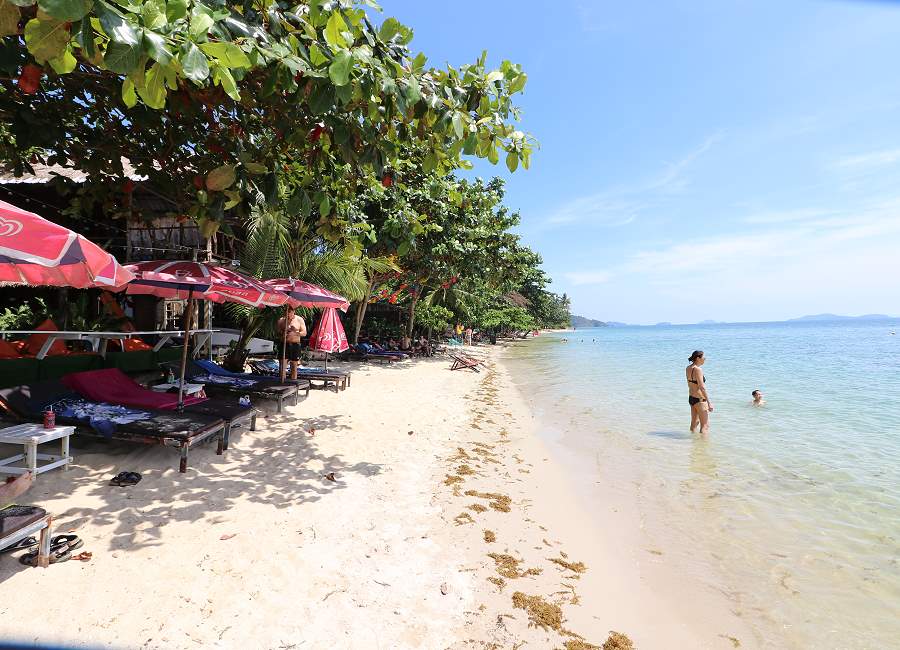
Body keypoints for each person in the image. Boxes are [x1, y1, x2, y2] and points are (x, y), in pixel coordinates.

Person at [686, 350, 713, 434]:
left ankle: (693, 442)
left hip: (691, 398)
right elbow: (702, 387)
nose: (705, 359)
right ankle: (703, 446)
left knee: (694, 423)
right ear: (698, 358)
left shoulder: (688, 368)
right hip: (700, 400)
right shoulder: (698, 369)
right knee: (705, 425)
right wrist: (709, 402)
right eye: (703, 357)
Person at [277, 306, 307, 380]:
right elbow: (278, 333)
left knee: (294, 365)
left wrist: (296, 333)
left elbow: (304, 333)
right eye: (286, 312)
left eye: (289, 312)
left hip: (295, 344)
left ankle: (293, 382)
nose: (287, 314)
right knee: (282, 365)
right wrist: (283, 333)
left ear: (293, 311)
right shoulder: (281, 320)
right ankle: (282, 382)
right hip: (284, 344)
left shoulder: (299, 320)